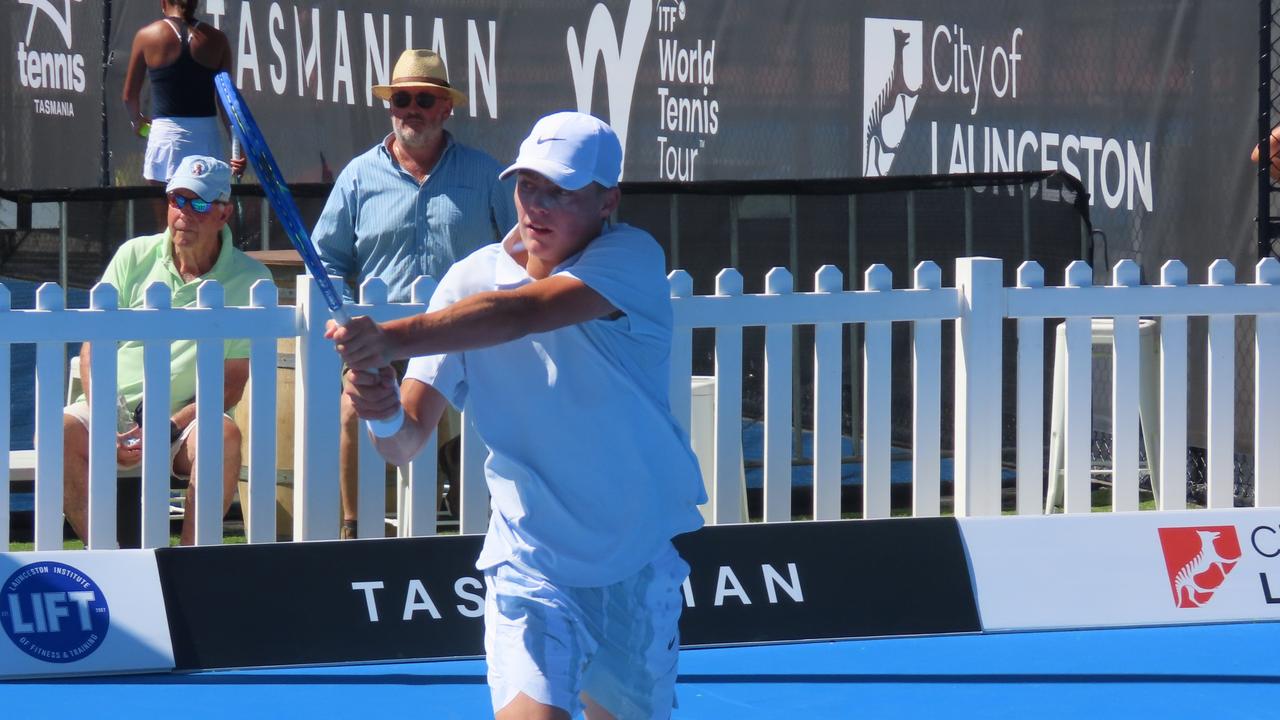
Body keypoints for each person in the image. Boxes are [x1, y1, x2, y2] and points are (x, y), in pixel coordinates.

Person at [327, 112, 706, 719]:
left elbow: (517, 315)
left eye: (560, 190)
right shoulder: (466, 281)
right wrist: (381, 412)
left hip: (635, 565)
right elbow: (405, 441)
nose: (537, 205)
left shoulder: (632, 258)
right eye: (528, 184)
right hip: (530, 571)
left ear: (608, 200)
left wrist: (389, 340)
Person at [311, 48, 516, 539]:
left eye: (424, 99)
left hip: (463, 336)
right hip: (383, 338)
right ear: (390, 106)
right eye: (401, 98)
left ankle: (482, 529)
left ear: (446, 107)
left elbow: (518, 252)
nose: (411, 109)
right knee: (350, 408)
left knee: (491, 414)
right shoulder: (359, 177)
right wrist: (340, 312)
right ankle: (355, 530)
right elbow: (326, 261)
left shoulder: (487, 174)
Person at [63, 155, 271, 547]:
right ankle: (111, 562)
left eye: (199, 203)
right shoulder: (132, 255)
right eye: (177, 200)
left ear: (224, 214)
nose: (183, 213)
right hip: (112, 412)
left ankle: (190, 567)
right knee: (59, 431)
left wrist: (169, 426)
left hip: (186, 422)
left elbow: (230, 386)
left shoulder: (251, 279)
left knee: (223, 436)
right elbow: (93, 348)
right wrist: (112, 422)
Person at [122, 0, 242, 184]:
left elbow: (129, 97)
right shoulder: (218, 40)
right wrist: (238, 147)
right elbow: (226, 102)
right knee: (204, 211)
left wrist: (137, 121)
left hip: (165, 142)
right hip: (206, 141)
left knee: (166, 213)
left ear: (163, 3)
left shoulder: (146, 36)